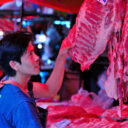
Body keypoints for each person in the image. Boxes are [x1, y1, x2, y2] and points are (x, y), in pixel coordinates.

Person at [0, 31, 70, 128]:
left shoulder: (9, 83)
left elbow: (50, 90)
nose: (37, 57)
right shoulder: (21, 104)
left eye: (34, 52)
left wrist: (62, 55)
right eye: (30, 54)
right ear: (14, 65)